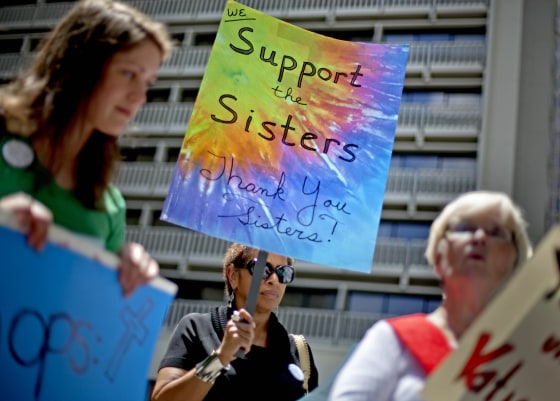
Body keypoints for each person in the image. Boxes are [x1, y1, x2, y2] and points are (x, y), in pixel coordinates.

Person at [0, 0, 173, 296]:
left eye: (148, 83)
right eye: (129, 74)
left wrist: (122, 268)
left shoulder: (109, 204)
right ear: (82, 64)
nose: (139, 96)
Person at [328, 190, 533, 401]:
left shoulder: (535, 362)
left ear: (515, 261)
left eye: (496, 232)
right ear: (438, 256)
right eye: (464, 228)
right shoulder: (393, 340)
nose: (479, 238)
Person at [152, 243, 319, 401]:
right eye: (261, 269)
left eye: (284, 272)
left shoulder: (297, 351)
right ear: (233, 276)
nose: (274, 279)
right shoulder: (197, 328)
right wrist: (221, 357)